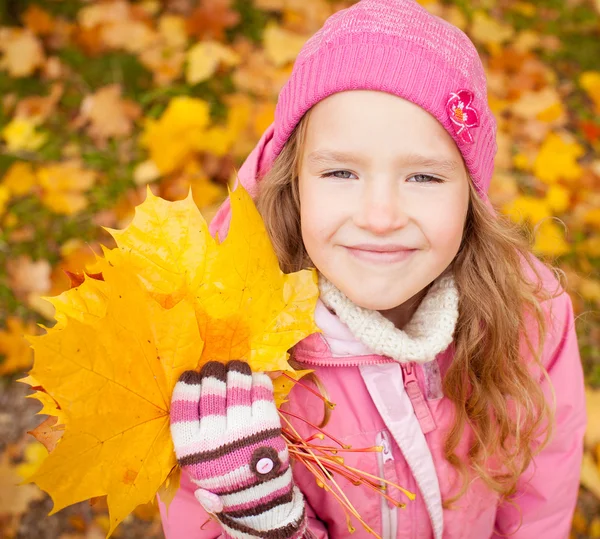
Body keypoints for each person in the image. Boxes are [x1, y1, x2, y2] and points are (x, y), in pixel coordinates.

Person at [160, 0, 587, 537]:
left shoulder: (529, 311)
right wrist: (267, 522)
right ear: (294, 182)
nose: (380, 217)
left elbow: (541, 487)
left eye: (424, 178)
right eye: (341, 172)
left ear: (471, 195)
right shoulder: (224, 352)